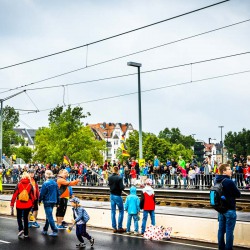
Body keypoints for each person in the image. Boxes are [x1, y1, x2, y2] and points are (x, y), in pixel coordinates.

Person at [215, 164, 241, 250]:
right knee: (229, 231)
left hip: (220, 210)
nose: (231, 171)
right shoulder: (229, 181)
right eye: (229, 169)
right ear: (224, 171)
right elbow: (238, 194)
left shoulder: (217, 180)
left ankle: (221, 248)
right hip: (230, 209)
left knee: (221, 230)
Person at [10, 172, 34, 238]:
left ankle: (20, 229)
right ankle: (26, 233)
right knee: (26, 218)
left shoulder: (18, 184)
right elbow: (32, 196)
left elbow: (14, 195)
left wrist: (12, 204)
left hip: (19, 204)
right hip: (28, 204)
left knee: (19, 217)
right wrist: (33, 204)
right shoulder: (30, 185)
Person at [39, 170, 60, 237]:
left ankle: (55, 230)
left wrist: (39, 200)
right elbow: (58, 193)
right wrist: (58, 202)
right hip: (53, 201)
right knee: (48, 215)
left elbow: (42, 194)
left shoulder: (45, 184)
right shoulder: (55, 183)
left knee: (49, 216)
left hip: (47, 201)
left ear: (45, 175)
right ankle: (45, 229)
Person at [108, 166, 126, 233]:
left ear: (113, 170)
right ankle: (120, 227)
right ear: (118, 170)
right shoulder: (119, 177)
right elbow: (122, 187)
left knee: (113, 212)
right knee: (121, 211)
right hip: (118, 196)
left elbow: (109, 185)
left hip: (112, 195)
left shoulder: (109, 177)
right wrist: (124, 186)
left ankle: (114, 228)